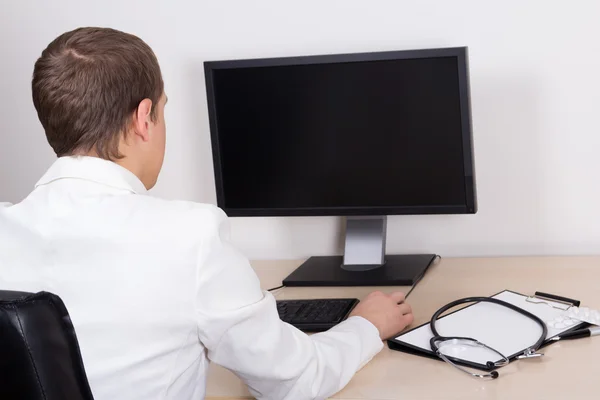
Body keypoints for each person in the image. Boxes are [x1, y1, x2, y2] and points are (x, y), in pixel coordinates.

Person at [0, 27, 414, 400]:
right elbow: (293, 382)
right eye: (162, 108)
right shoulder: (189, 236)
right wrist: (365, 326)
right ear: (145, 118)